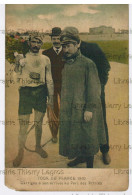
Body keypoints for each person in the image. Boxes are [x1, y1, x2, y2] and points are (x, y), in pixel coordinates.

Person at [59, 27, 107, 168]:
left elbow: (94, 88)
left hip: (85, 108)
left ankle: (89, 165)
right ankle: (80, 158)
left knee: (87, 135)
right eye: (63, 47)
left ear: (77, 45)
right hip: (71, 108)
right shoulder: (67, 64)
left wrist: (89, 109)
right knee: (76, 134)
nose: (65, 50)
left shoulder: (88, 64)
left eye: (68, 46)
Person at [13, 34, 54, 167]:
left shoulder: (46, 59)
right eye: (34, 42)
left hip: (41, 92)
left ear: (41, 44)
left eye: (39, 42)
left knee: (38, 122)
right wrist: (17, 64)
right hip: (26, 92)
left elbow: (49, 78)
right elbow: (15, 76)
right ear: (29, 43)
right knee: (23, 125)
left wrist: (51, 98)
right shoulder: (22, 57)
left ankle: (37, 146)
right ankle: (20, 152)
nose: (36, 45)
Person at [42, 27, 65, 143]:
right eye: (54, 38)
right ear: (51, 39)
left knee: (66, 110)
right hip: (51, 87)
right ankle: (54, 134)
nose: (56, 41)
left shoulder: (67, 52)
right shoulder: (46, 54)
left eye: (58, 38)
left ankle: (67, 133)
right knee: (52, 111)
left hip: (65, 87)